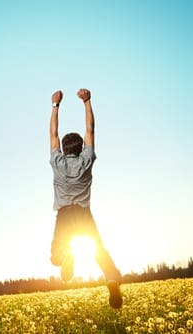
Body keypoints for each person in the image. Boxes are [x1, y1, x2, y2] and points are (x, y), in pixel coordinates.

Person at [49, 88, 123, 309]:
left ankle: (65, 256)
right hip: (83, 213)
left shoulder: (57, 163)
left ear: (62, 148)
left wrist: (55, 106)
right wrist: (87, 101)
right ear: (82, 147)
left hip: (64, 214)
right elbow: (90, 129)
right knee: (98, 250)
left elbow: (53, 134)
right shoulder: (86, 161)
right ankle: (111, 279)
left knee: (54, 258)